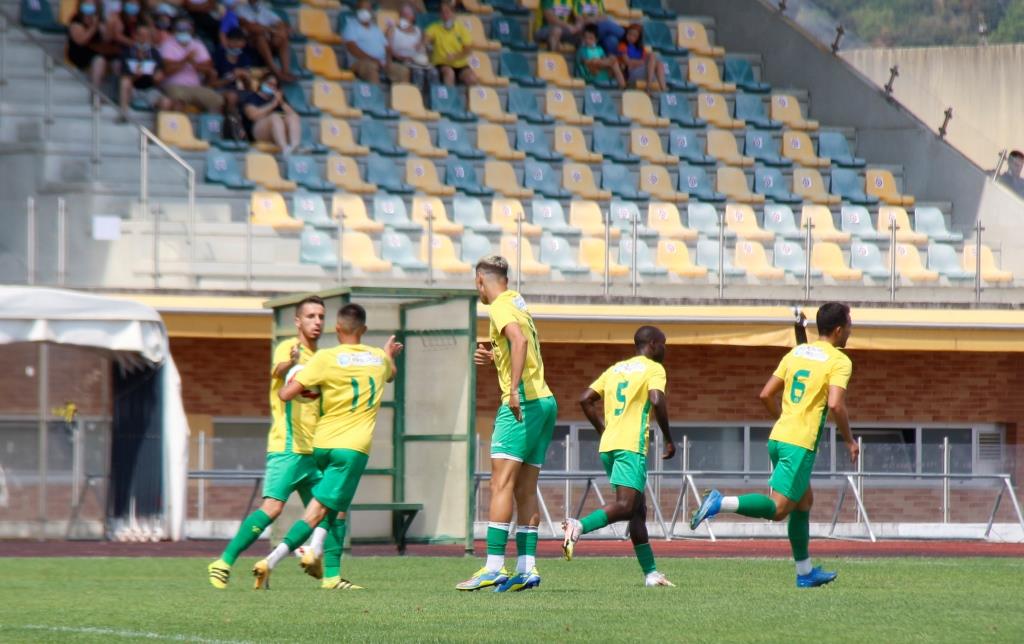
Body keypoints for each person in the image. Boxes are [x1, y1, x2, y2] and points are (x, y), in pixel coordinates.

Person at [691, 302, 859, 588]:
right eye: (851, 325)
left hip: (780, 437)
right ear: (840, 329)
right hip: (799, 444)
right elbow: (835, 405)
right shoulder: (840, 361)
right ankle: (720, 502)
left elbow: (765, 394)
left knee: (803, 502)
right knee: (779, 509)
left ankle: (805, 573)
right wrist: (849, 440)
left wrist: (786, 418)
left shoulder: (796, 352)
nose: (852, 330)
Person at [253, 303, 403, 591]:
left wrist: (307, 387)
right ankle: (272, 561)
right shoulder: (376, 359)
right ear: (365, 330)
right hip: (352, 448)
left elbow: (286, 393)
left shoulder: (325, 358)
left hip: (321, 444)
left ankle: (328, 570)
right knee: (318, 511)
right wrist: (388, 353)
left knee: (337, 506)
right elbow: (391, 373)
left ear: (337, 329)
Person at [207, 297, 341, 589]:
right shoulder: (288, 349)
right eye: (310, 316)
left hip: (313, 451)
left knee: (331, 510)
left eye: (321, 316)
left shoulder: (321, 358)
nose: (317, 322)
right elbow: (279, 370)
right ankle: (223, 562)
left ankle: (332, 577)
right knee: (272, 509)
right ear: (297, 321)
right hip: (288, 448)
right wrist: (289, 364)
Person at [456, 256, 558, 593]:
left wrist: (512, 390)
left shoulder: (499, 305)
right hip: (545, 401)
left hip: (523, 403)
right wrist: (495, 359)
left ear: (479, 280)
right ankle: (527, 568)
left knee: (499, 483)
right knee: (525, 489)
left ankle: (494, 566)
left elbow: (519, 341)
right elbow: (519, 347)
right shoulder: (517, 300)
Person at [562, 326, 676, 587]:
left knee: (637, 511)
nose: (666, 349)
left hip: (609, 446)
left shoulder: (614, 369)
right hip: (630, 446)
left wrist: (604, 430)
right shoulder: (653, 368)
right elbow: (657, 400)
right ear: (654, 344)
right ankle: (578, 526)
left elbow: (585, 399)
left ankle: (651, 574)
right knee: (626, 507)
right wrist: (669, 438)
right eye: (664, 344)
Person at [159, 16, 224, 112]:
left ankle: (209, 126)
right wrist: (185, 60)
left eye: (187, 28)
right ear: (174, 30)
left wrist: (194, 63)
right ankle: (178, 126)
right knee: (178, 100)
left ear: (192, 30)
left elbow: (208, 68)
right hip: (174, 86)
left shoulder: (198, 44)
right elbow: (167, 70)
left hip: (195, 86)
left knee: (217, 100)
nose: (184, 31)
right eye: (180, 28)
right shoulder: (167, 45)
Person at [119, 22, 178, 117]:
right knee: (125, 82)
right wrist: (135, 76)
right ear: (136, 36)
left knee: (166, 102)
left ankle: (157, 129)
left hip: (149, 89)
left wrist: (158, 78)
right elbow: (124, 77)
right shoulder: (127, 53)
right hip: (133, 89)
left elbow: (159, 75)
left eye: (146, 36)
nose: (143, 38)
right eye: (141, 35)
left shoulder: (154, 53)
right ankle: (123, 114)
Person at [240, 73, 303, 154]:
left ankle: (295, 147)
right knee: (274, 117)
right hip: (257, 131)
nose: (272, 87)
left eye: (275, 86)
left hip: (278, 132)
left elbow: (295, 117)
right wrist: (272, 105)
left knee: (292, 117)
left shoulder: (279, 100)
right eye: (269, 84)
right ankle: (284, 149)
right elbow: (253, 116)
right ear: (262, 82)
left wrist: (282, 103)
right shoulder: (251, 97)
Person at [236, 0, 295, 81]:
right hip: (250, 44)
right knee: (260, 37)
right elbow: (251, 27)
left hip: (267, 40)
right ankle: (276, 72)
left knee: (283, 38)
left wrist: (275, 31)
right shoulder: (240, 9)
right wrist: (270, 29)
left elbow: (281, 24)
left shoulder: (263, 9)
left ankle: (286, 71)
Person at [425, 0, 476, 86]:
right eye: (443, 13)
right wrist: (426, 44)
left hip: (460, 64)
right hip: (442, 63)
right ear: (440, 15)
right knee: (449, 73)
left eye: (448, 12)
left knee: (472, 78)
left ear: (453, 13)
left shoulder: (461, 29)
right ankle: (451, 99)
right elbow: (426, 39)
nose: (445, 15)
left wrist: (455, 56)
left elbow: (468, 49)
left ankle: (470, 99)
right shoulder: (433, 28)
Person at [67, 0, 118, 87]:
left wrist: (108, 25)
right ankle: (95, 92)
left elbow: (107, 39)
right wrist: (93, 27)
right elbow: (81, 40)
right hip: (80, 53)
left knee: (117, 61)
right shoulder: (76, 21)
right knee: (99, 60)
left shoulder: (99, 19)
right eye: (87, 5)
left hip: (97, 49)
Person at [386, 2, 435, 88]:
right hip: (401, 60)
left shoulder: (418, 30)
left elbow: (425, 45)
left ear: (413, 17)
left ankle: (433, 98)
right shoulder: (392, 30)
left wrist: (422, 44)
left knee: (433, 73)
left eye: (407, 14)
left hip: (419, 61)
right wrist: (401, 57)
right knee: (418, 73)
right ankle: (416, 95)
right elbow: (388, 49)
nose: (404, 17)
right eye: (402, 14)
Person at [342, 0, 392, 84]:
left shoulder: (376, 29)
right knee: (371, 67)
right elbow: (352, 48)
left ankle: (401, 96)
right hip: (360, 62)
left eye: (367, 9)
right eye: (362, 9)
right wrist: (371, 59)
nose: (365, 12)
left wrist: (388, 62)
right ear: (357, 11)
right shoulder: (351, 27)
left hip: (381, 62)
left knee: (402, 71)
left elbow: (387, 48)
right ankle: (376, 95)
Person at [617, 23, 664, 92]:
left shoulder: (640, 48)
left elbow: (642, 61)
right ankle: (650, 85)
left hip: (643, 72)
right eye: (629, 34)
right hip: (631, 74)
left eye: (634, 36)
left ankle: (662, 88)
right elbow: (628, 62)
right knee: (653, 58)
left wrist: (638, 62)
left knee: (658, 63)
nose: (631, 37)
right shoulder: (623, 45)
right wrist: (642, 62)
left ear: (638, 38)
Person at [575, 23, 624, 88]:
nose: (587, 40)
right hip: (590, 75)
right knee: (596, 61)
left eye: (591, 38)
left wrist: (606, 62)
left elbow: (603, 59)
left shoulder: (600, 49)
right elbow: (587, 62)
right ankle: (621, 84)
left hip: (602, 73)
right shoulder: (582, 50)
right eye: (585, 38)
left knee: (612, 60)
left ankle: (622, 85)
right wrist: (602, 62)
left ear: (596, 40)